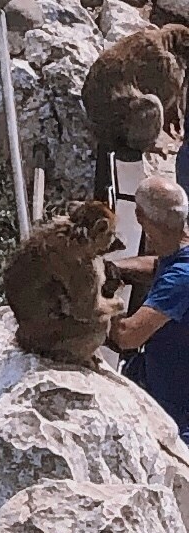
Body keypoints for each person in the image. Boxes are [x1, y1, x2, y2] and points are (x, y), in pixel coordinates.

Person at [106, 177, 189, 435]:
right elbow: (160, 265)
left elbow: (127, 336)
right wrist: (115, 268)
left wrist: (88, 306)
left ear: (139, 215)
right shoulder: (180, 252)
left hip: (173, 414)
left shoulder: (179, 280)